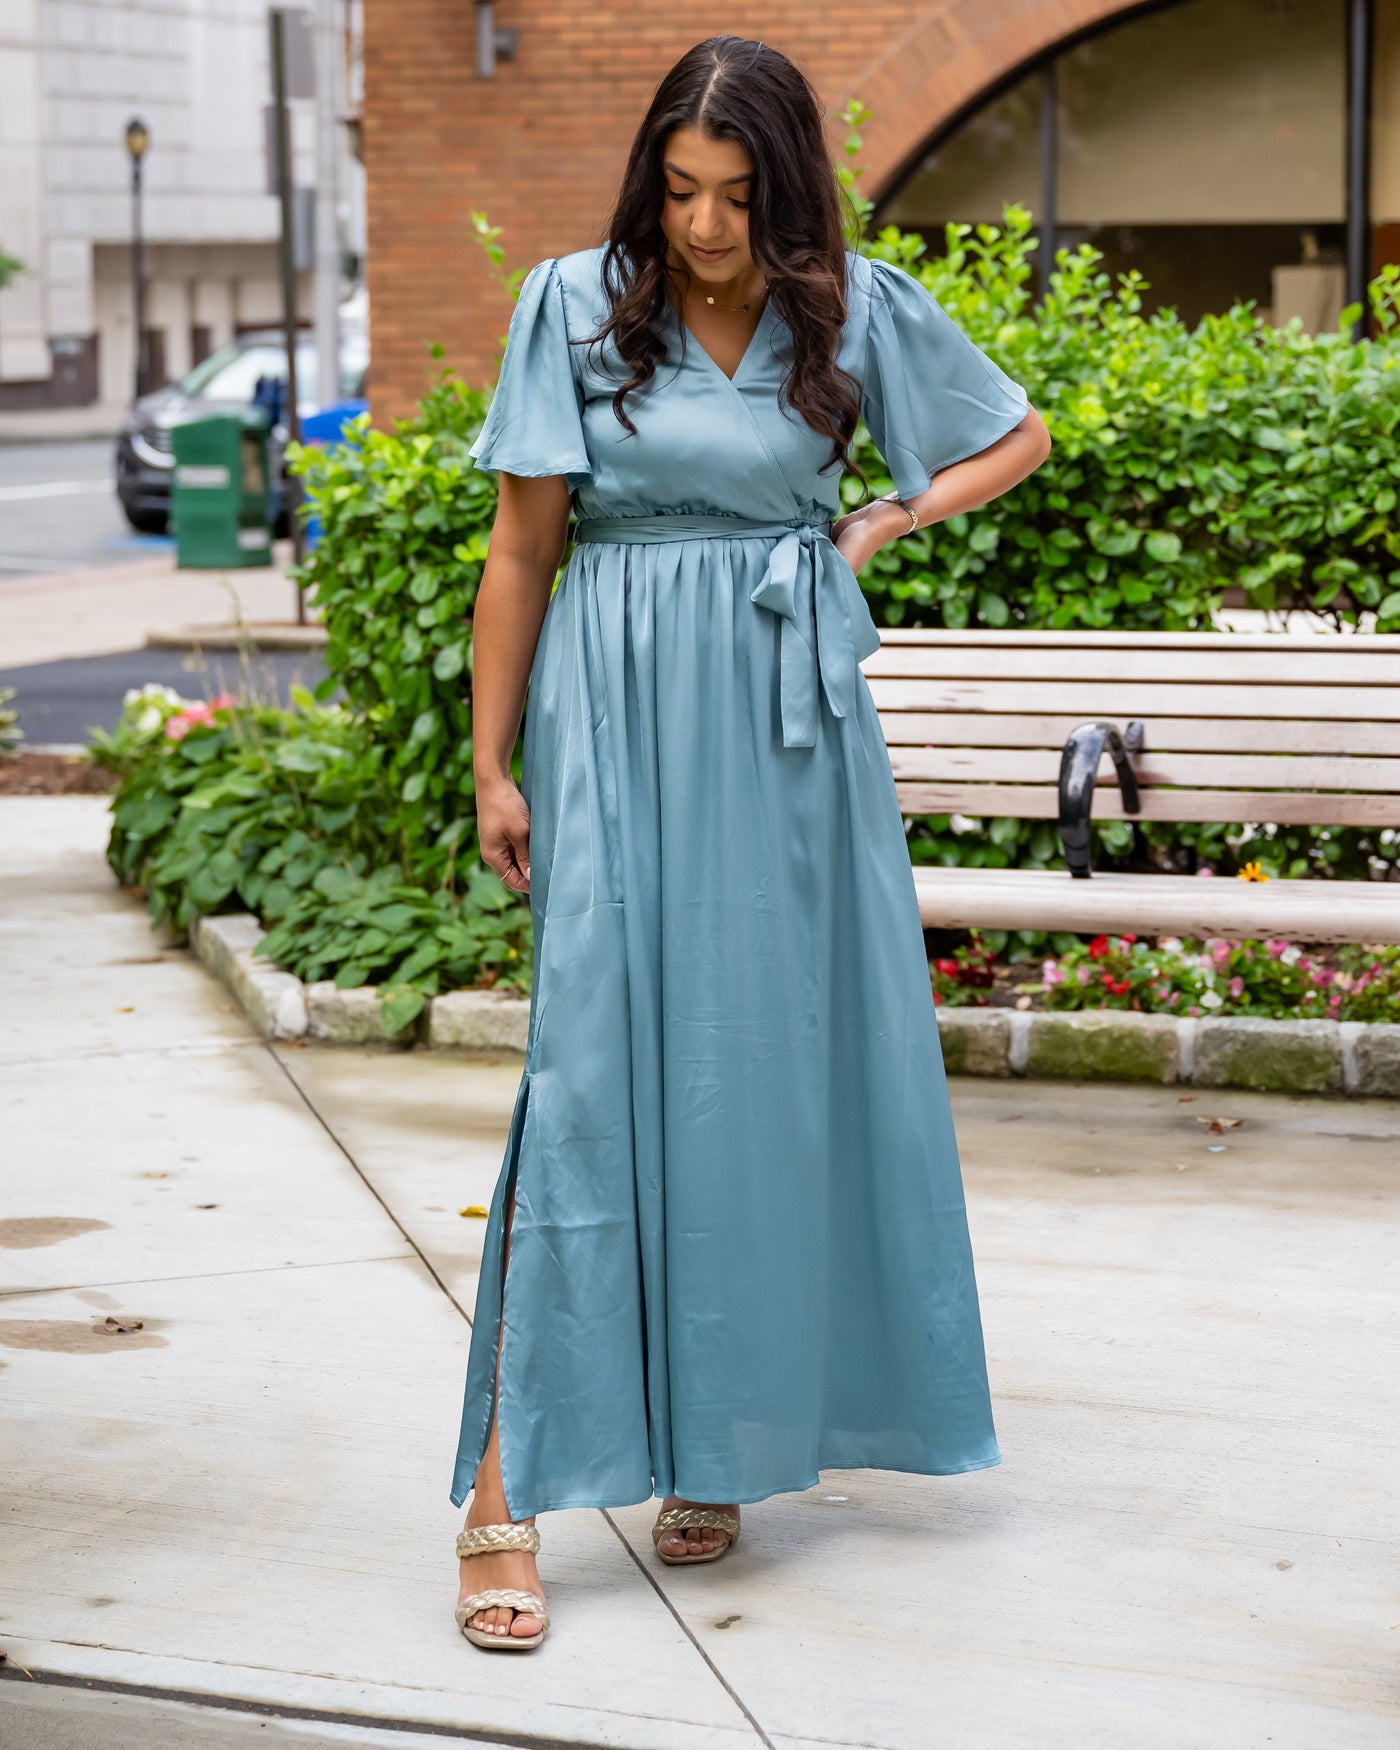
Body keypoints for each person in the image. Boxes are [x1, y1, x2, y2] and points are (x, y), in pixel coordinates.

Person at [452, 34, 1052, 1651]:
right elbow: (521, 549)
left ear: (784, 192)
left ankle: (712, 1445)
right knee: (585, 1075)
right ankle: (499, 1494)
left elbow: (1020, 432)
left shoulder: (847, 310)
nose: (705, 227)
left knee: (757, 1077)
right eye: (679, 188)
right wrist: (492, 758)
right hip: (622, 711)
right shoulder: (572, 304)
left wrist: (880, 515)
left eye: (736, 196)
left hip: (792, 735)